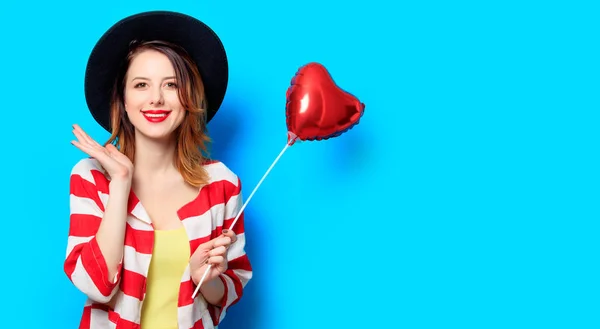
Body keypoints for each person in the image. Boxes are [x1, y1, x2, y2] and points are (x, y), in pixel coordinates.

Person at [63, 11, 252, 329]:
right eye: (140, 85)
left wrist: (202, 276)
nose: (156, 99)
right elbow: (96, 286)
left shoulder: (222, 183)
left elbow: (229, 290)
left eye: (171, 85)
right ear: (122, 99)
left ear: (188, 97)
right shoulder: (91, 177)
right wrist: (121, 183)